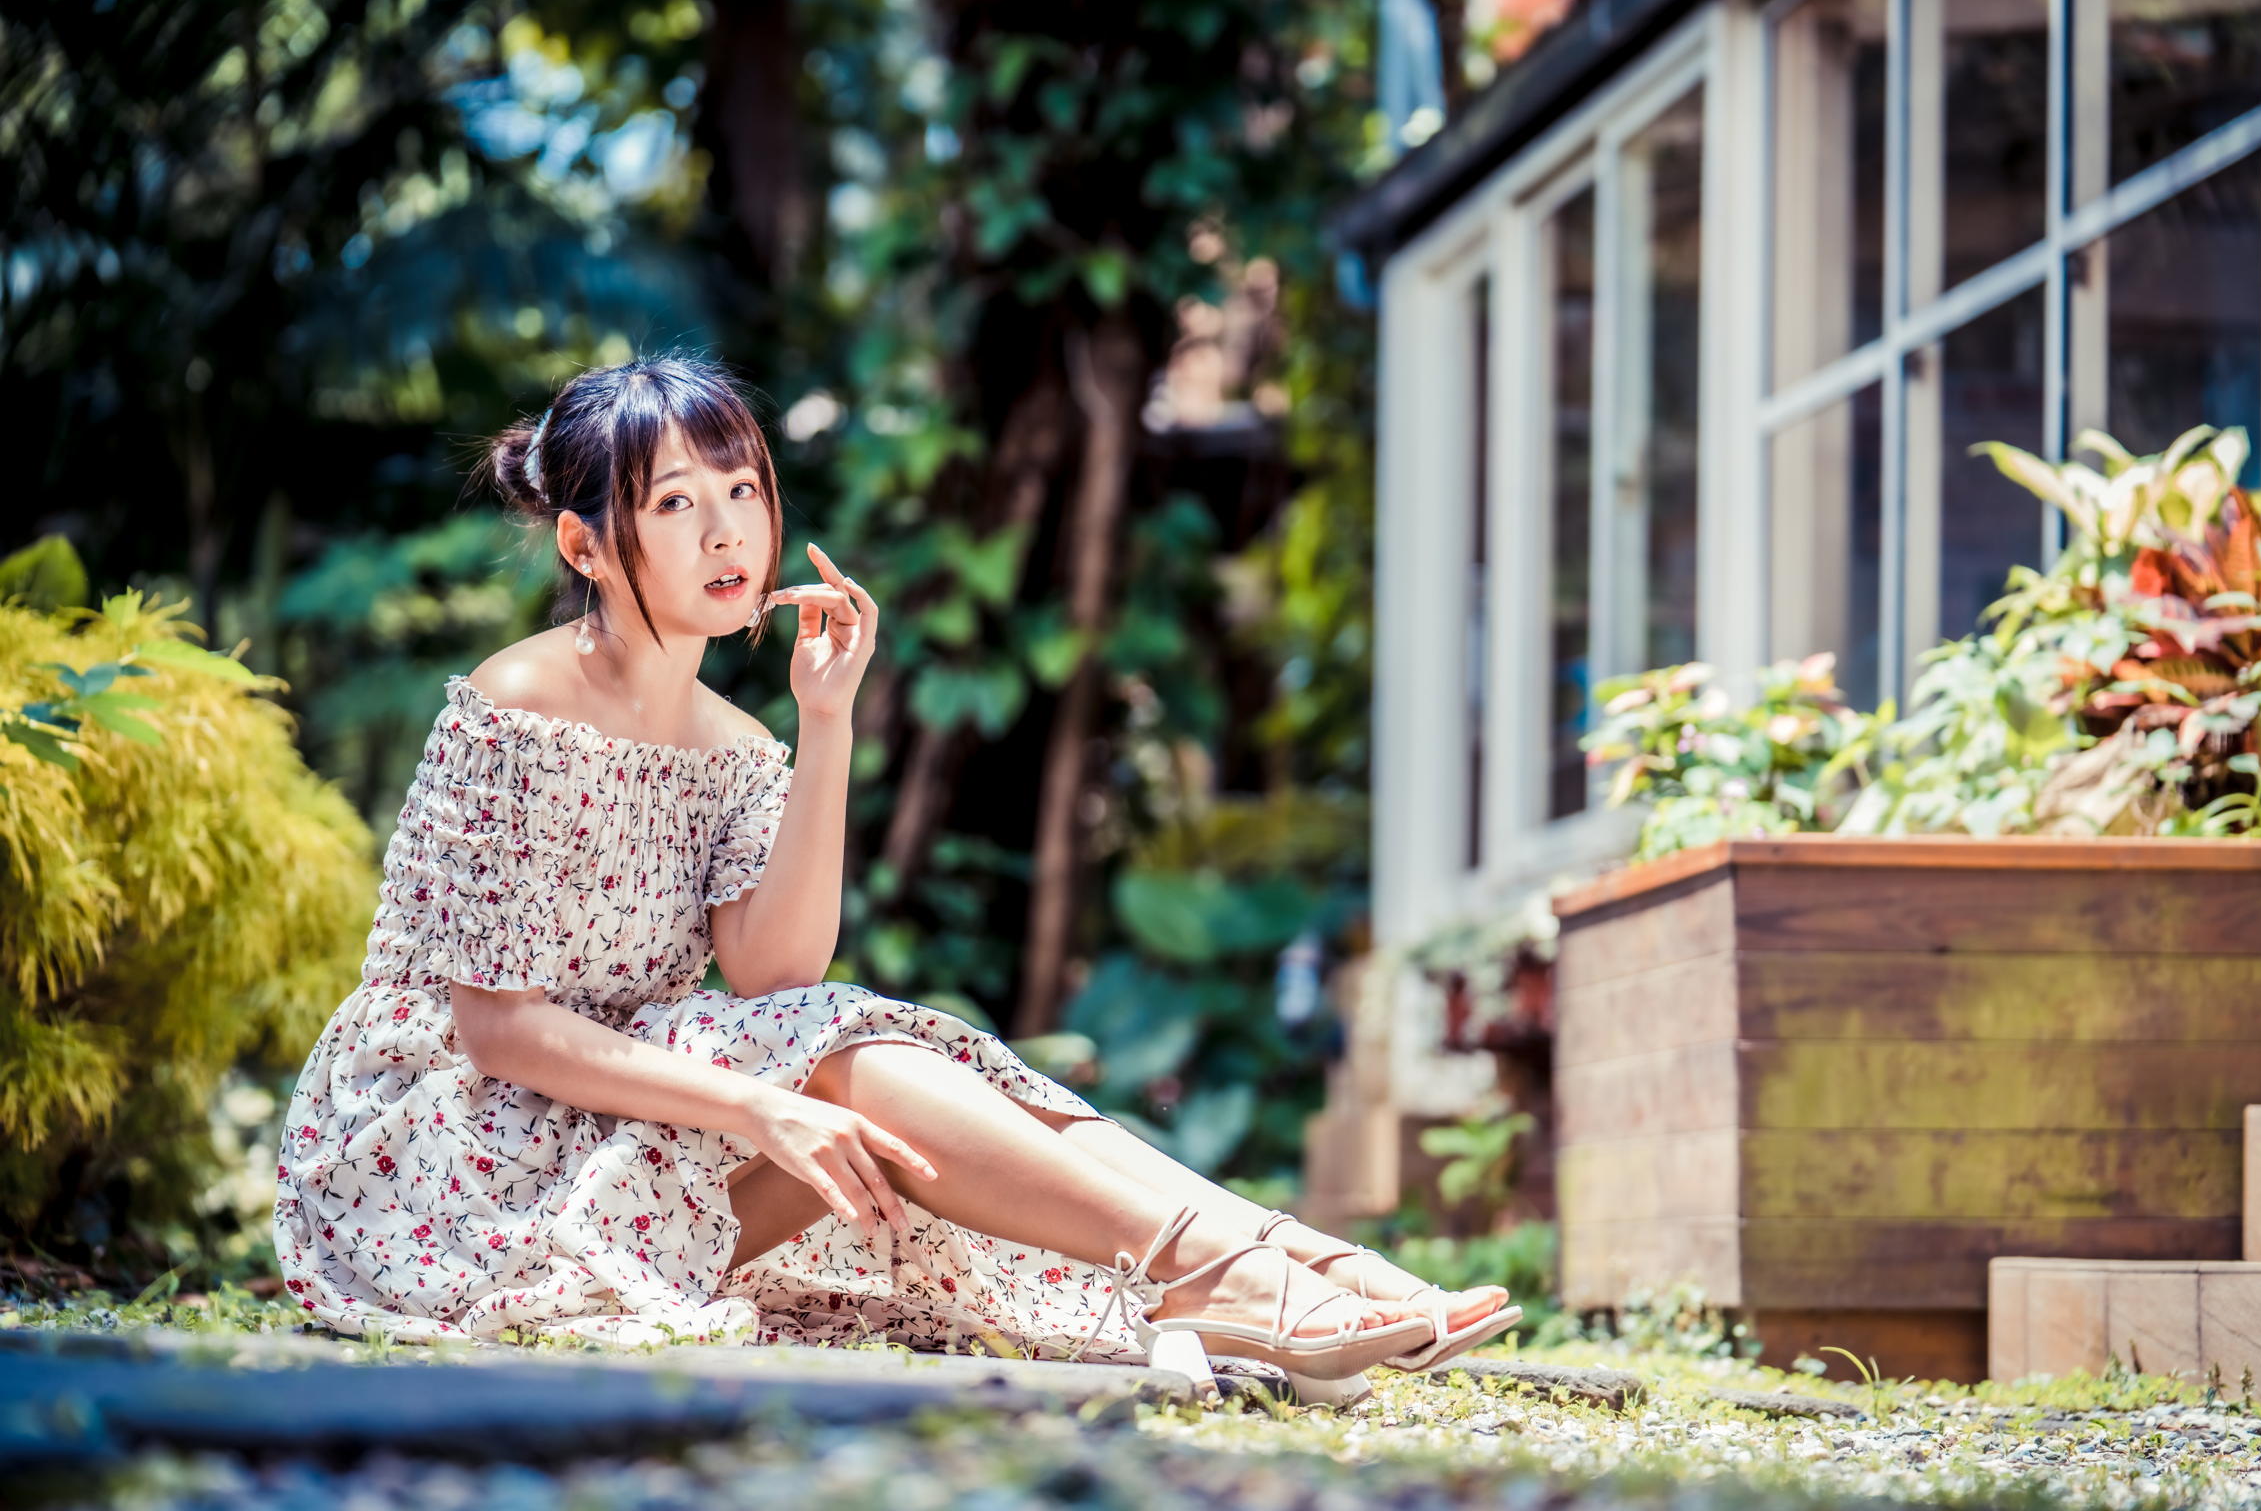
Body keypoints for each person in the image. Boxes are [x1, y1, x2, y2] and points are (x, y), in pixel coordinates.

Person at [273, 353, 1522, 1398]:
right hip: (444, 1168)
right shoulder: (518, 701)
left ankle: (1281, 1257)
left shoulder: (735, 742)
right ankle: (1230, 1274)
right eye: (672, 503)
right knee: (837, 1058)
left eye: (744, 488)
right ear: (585, 542)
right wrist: (758, 1105)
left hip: (624, 1127)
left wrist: (827, 724)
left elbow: (774, 973)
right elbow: (496, 1028)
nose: (727, 530)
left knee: (874, 1052)